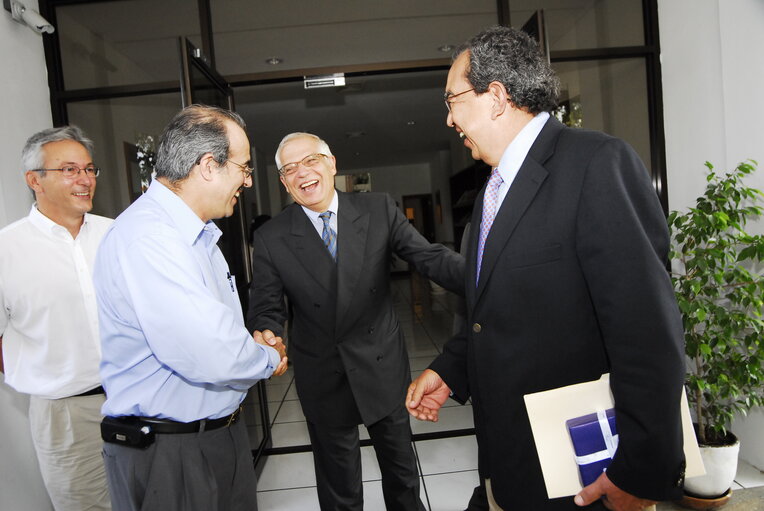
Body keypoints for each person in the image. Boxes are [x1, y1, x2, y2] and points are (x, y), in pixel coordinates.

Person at [406, 26, 686, 511]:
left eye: (452, 100)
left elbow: (646, 332)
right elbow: (494, 311)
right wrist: (451, 370)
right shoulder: (489, 197)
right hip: (508, 463)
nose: (449, 119)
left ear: (496, 97)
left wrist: (640, 471)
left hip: (583, 474)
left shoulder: (596, 164)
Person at [246, 132, 464, 511]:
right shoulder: (272, 237)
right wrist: (268, 333)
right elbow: (267, 304)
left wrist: (483, 276)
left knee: (401, 474)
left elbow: (427, 256)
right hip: (322, 372)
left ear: (332, 164)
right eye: (290, 169)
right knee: (339, 487)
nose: (303, 174)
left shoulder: (378, 209)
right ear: (283, 181)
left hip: (380, 362)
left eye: (311, 161)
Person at [94, 105, 287, 511]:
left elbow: (214, 331)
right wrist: (268, 357)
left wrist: (246, 344)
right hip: (171, 452)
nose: (247, 182)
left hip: (214, 436)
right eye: (244, 168)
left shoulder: (194, 235)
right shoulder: (149, 238)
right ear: (207, 166)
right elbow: (213, 353)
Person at [0, 126, 112, 510]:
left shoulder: (117, 236)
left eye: (89, 168)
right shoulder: (7, 249)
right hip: (64, 415)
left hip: (135, 400)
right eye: (69, 169)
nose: (84, 179)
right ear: (35, 180)